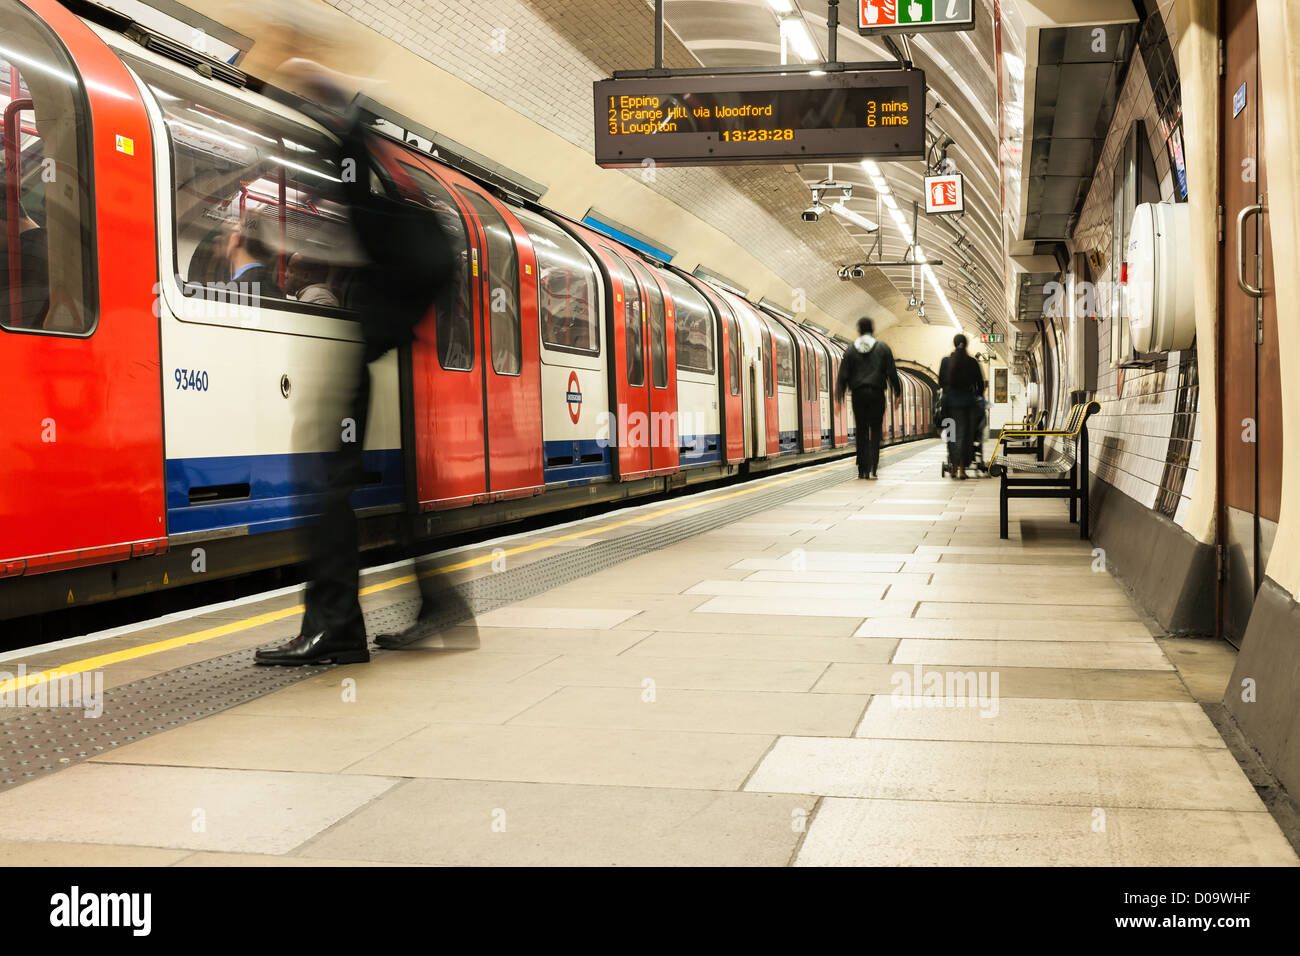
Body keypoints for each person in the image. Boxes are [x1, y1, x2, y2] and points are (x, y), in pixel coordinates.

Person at [254, 59, 456, 666]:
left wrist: (299, 79)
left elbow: (346, 139)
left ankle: (336, 628)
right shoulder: (378, 171)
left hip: (364, 342)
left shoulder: (354, 156)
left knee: (327, 485)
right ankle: (437, 608)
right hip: (378, 339)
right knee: (359, 488)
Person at [835, 316, 902, 480]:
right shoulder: (883, 348)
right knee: (876, 430)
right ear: (873, 330)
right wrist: (897, 393)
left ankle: (862, 468)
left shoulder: (851, 350)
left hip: (858, 395)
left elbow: (843, 375)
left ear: (858, 330)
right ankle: (873, 465)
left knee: (862, 430)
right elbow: (892, 373)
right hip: (877, 394)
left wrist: (839, 396)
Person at [939, 333, 985, 480]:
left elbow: (941, 382)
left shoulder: (946, 361)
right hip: (968, 405)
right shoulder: (972, 362)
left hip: (950, 405)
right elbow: (980, 384)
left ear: (954, 343)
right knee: (967, 437)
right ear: (966, 344)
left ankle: (952, 467)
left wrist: (949, 392)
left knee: (952, 435)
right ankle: (962, 470)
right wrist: (974, 395)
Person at [224, 214, 285, 301]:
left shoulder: (234, 291)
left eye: (225, 233)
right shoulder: (276, 290)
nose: (218, 239)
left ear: (236, 239)